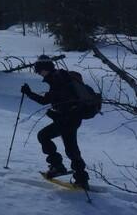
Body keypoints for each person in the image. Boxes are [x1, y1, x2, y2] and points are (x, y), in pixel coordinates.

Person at [20, 55, 90, 189]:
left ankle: (59, 167)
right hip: (73, 118)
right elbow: (53, 99)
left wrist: (29, 93)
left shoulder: (57, 79)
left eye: (38, 70)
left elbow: (49, 100)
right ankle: (80, 178)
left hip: (67, 119)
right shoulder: (61, 77)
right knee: (71, 148)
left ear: (44, 69)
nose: (39, 73)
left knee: (44, 136)